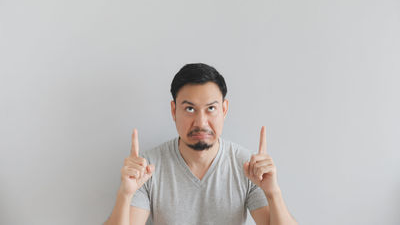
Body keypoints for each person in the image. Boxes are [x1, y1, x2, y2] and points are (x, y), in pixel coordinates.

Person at [104, 63, 298, 225]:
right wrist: (125, 194)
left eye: (211, 108)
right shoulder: (147, 169)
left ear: (224, 109)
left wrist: (273, 192)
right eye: (189, 109)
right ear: (173, 110)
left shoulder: (247, 167)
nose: (201, 122)